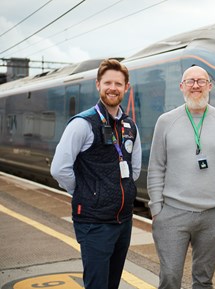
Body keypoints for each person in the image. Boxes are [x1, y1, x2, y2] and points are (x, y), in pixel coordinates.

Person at [51, 59, 142, 289]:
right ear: (98, 85)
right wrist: (86, 191)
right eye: (108, 82)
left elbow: (134, 169)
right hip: (94, 222)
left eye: (118, 84)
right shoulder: (82, 124)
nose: (113, 88)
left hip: (123, 221)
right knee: (97, 284)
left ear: (126, 87)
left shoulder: (129, 125)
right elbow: (59, 169)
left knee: (112, 283)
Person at [147, 65, 215, 289]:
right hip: (172, 214)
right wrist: (156, 209)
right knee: (170, 278)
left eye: (201, 81)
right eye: (190, 81)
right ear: (181, 87)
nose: (196, 85)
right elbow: (156, 167)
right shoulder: (166, 121)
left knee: (203, 280)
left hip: (214, 215)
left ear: (209, 86)